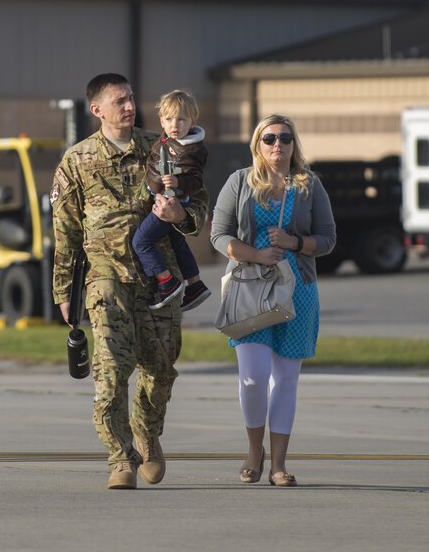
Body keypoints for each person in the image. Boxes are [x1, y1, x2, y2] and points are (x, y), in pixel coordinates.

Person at [51, 73, 209, 490]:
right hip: (106, 276)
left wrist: (184, 217)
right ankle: (120, 457)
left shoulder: (161, 146)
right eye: (118, 100)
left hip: (160, 278)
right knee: (111, 371)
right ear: (97, 109)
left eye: (131, 98)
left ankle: (147, 434)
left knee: (160, 370)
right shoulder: (77, 160)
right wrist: (64, 291)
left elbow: (198, 196)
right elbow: (64, 232)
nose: (128, 106)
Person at [210, 114, 335, 487]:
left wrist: (294, 243)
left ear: (294, 144)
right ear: (257, 144)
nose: (277, 145)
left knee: (285, 380)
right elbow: (219, 234)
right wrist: (254, 254)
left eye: (284, 138)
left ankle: (279, 463)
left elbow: (327, 239)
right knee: (252, 377)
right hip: (249, 288)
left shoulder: (309, 185)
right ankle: (254, 451)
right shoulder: (239, 182)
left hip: (298, 290)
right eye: (269, 139)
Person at [132, 89, 211, 311]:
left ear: (192, 121)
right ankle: (195, 284)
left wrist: (178, 183)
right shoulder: (168, 141)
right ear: (161, 121)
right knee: (177, 242)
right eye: (169, 119)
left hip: (169, 204)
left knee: (141, 242)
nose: (175, 124)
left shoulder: (189, 148)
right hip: (165, 197)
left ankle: (166, 281)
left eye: (181, 119)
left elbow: (195, 179)